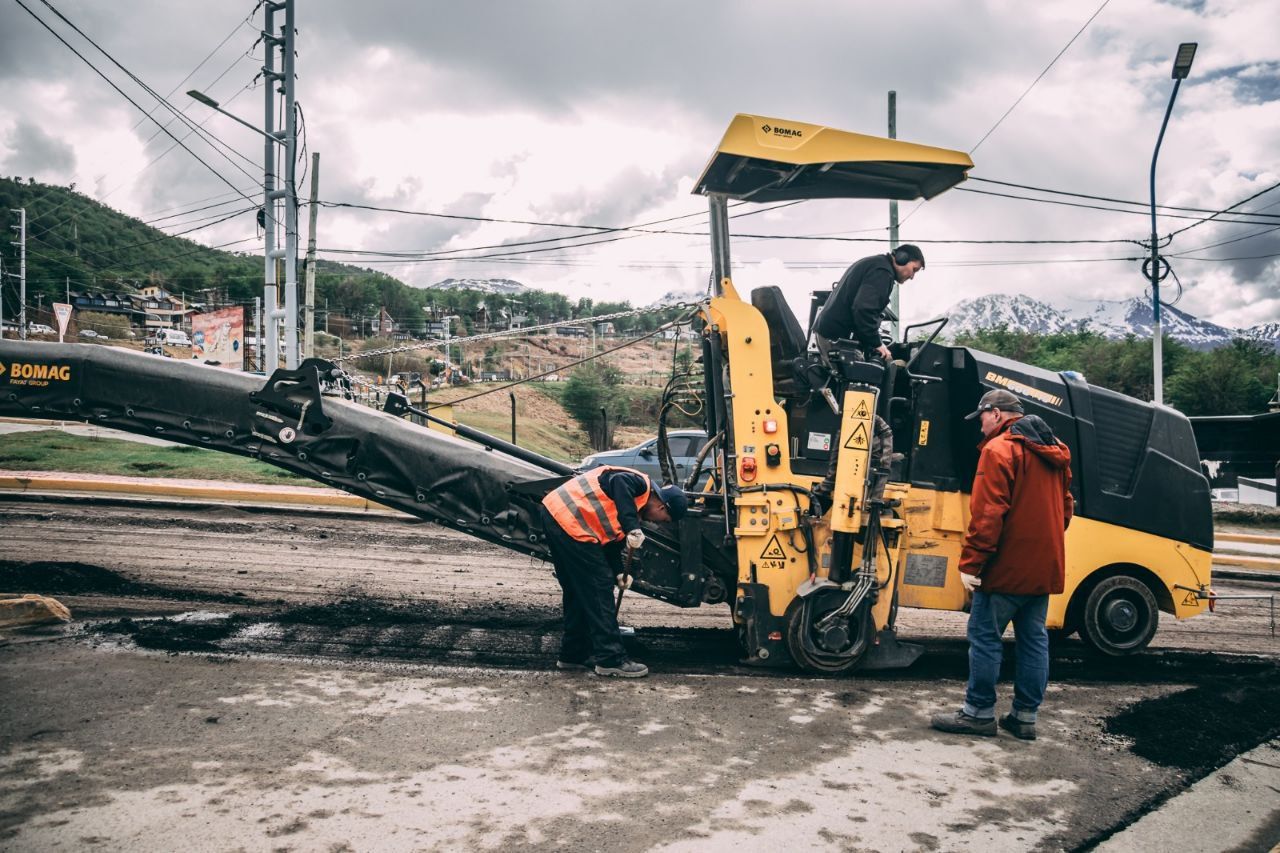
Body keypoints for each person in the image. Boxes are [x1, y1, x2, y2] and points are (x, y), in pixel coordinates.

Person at [931, 389, 1074, 741]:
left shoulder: (999, 450)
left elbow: (988, 514)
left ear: (996, 414)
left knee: (984, 637)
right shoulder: (1055, 450)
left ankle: (978, 713)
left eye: (981, 416)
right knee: (1033, 640)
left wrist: (971, 563)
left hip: (1004, 568)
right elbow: (1066, 509)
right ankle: (1024, 718)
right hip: (1043, 567)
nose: (979, 424)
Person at [539, 466, 688, 678]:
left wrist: (618, 572)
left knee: (577, 591)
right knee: (598, 589)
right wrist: (631, 527)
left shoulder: (632, 506)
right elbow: (619, 481)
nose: (655, 522)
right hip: (570, 522)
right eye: (663, 519)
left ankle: (573, 654)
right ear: (662, 506)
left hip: (558, 515)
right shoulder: (639, 484)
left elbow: (610, 544)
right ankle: (610, 659)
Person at [812, 244, 925, 363]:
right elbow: (864, 309)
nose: (912, 276)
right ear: (902, 258)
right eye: (914, 270)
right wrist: (877, 343)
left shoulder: (876, 264)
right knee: (865, 373)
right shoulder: (882, 272)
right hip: (837, 337)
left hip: (830, 333)